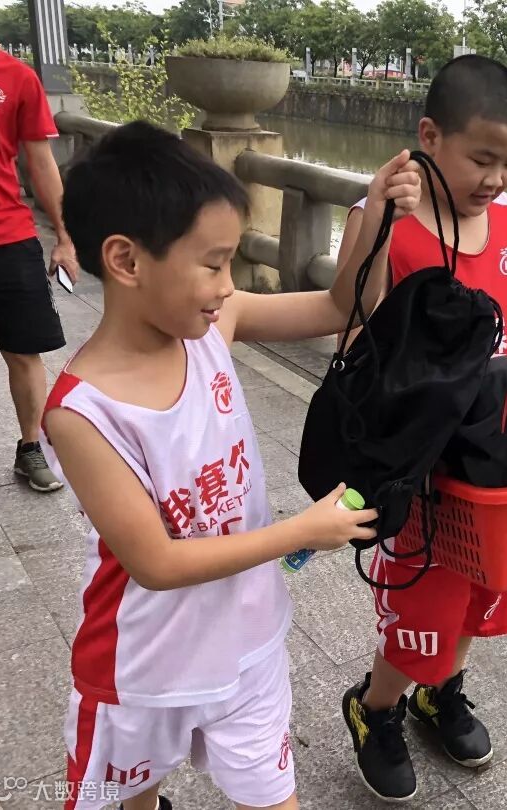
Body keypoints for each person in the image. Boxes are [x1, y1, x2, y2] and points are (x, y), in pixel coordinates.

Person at [42, 121, 421, 810]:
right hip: (142, 672)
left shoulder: (216, 326)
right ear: (126, 260)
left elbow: (343, 306)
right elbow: (156, 563)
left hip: (248, 644)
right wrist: (301, 532)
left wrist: (375, 216)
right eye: (213, 263)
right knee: (135, 797)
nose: (227, 284)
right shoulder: (82, 413)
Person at [332, 54, 507, 803]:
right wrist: (377, 225)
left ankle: (439, 692)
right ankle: (377, 706)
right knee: (423, 604)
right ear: (429, 137)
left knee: (484, 589)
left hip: (497, 461)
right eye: (482, 159)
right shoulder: (385, 220)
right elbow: (349, 319)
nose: (497, 179)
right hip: (421, 464)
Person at [0, 7, 80, 492]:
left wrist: (64, 236)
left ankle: (30, 447)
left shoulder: (16, 77)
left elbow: (41, 162)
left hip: (8, 235)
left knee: (23, 352)